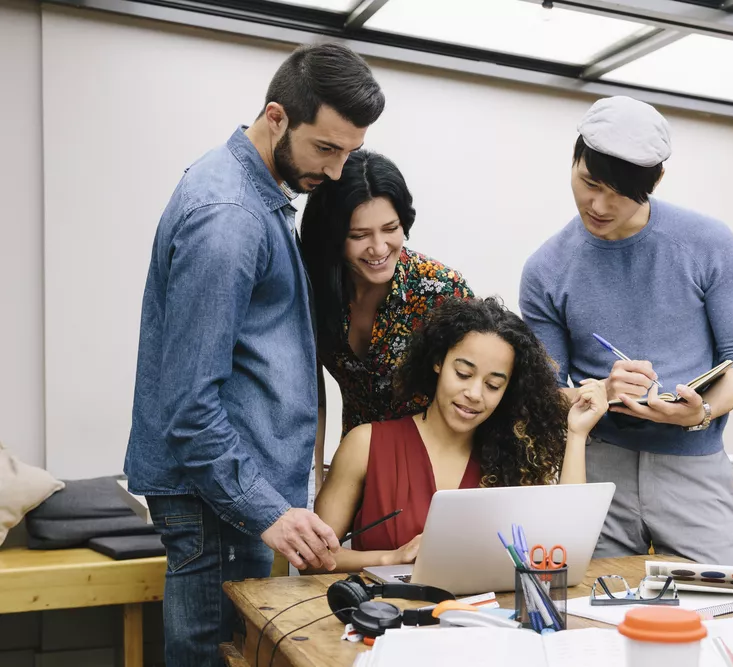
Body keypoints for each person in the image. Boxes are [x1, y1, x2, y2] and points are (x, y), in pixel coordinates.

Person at [124, 43, 384, 666]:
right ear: (275, 117)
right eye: (326, 149)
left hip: (227, 495)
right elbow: (189, 404)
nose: (339, 171)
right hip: (216, 501)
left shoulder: (253, 192)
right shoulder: (230, 216)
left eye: (349, 150)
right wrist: (270, 510)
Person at [519, 96, 733, 566]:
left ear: (655, 183)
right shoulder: (546, 269)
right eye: (589, 182)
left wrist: (701, 411)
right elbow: (541, 394)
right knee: (592, 608)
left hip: (695, 462)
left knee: (717, 611)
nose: (599, 204)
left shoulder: (709, 243)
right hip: (598, 466)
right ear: (574, 159)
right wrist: (602, 391)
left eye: (620, 193)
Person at [311, 296, 608, 572]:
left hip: (483, 621)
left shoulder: (511, 458)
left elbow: (564, 547)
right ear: (438, 362)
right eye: (463, 374)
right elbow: (312, 559)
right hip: (384, 619)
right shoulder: (366, 444)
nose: (474, 394)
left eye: (493, 385)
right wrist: (390, 558)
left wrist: (577, 433)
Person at [299, 150, 472, 487]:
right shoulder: (314, 289)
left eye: (390, 229)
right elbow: (311, 395)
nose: (379, 248)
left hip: (434, 471)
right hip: (357, 465)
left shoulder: (441, 290)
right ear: (333, 237)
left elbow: (474, 393)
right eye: (359, 236)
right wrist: (313, 482)